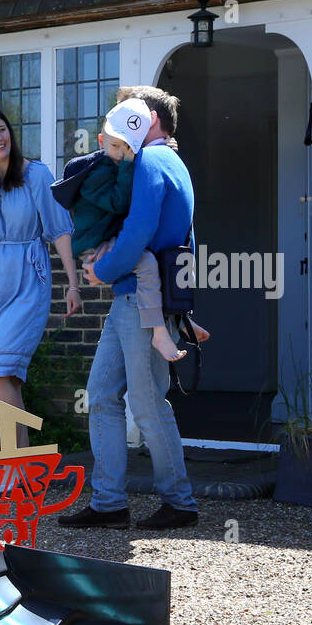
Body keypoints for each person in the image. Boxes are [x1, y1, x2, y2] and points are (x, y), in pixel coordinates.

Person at [59, 85, 199, 530]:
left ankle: (180, 503)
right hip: (137, 298)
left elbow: (138, 229)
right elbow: (185, 239)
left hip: (140, 298)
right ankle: (108, 503)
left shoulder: (153, 161)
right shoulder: (169, 162)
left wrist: (103, 270)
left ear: (151, 120)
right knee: (102, 395)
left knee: (146, 401)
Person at [0, 107, 80, 447]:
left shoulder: (36, 174)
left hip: (27, 278)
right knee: (2, 378)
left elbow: (60, 230)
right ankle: (19, 457)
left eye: (2, 130)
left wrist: (72, 283)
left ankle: (16, 458)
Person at [53, 97, 189, 362]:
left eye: (127, 147)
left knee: (107, 397)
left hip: (110, 254)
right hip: (94, 247)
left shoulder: (138, 162)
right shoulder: (96, 173)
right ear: (102, 142)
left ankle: (173, 323)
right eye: (115, 145)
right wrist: (128, 165)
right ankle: (160, 331)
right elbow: (120, 203)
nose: (120, 152)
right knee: (147, 262)